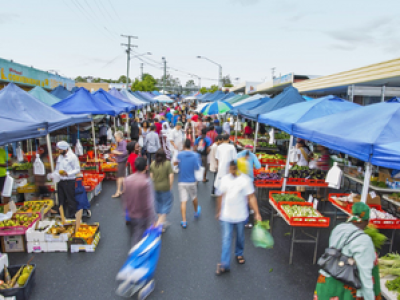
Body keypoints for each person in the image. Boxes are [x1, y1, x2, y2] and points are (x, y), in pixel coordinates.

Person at [314, 202, 377, 300]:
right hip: (345, 289)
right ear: (367, 221)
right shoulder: (364, 241)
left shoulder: (339, 228)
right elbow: (365, 275)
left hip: (326, 281)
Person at [215, 160, 262, 275]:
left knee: (240, 236)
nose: (232, 171)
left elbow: (251, 197)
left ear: (238, 169)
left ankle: (239, 252)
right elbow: (220, 195)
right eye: (230, 169)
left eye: (234, 169)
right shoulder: (225, 179)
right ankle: (224, 264)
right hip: (226, 215)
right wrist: (219, 210)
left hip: (241, 215)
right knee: (227, 239)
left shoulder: (245, 180)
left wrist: (257, 213)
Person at [123, 157, 155, 246]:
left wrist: (126, 212)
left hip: (132, 212)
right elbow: (149, 202)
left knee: (135, 233)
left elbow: (125, 197)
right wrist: (153, 218)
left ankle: (135, 250)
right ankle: (137, 254)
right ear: (146, 167)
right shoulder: (146, 182)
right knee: (141, 234)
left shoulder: (128, 179)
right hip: (142, 214)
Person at [174, 139, 201, 228]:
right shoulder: (195, 155)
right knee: (194, 197)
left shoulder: (180, 155)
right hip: (192, 181)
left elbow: (176, 165)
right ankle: (196, 211)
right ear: (191, 146)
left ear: (184, 145)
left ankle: (184, 221)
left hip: (182, 181)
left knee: (183, 201)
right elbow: (197, 167)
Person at [150, 149, 174, 232]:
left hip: (156, 187)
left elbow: (151, 176)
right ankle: (158, 224)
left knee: (158, 204)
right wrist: (170, 186)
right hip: (165, 187)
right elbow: (171, 176)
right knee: (166, 205)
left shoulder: (153, 164)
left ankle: (161, 225)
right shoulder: (167, 164)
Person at [55, 141, 80, 219]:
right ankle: (62, 216)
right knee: (61, 200)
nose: (58, 151)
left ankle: (73, 217)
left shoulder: (72, 157)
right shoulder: (60, 156)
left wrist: (68, 173)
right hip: (61, 181)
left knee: (70, 200)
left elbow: (77, 169)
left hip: (69, 181)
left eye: (60, 149)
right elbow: (57, 168)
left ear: (65, 149)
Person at [111, 131, 128, 198]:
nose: (115, 138)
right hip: (121, 161)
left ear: (118, 137)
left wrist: (116, 152)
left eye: (115, 137)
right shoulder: (120, 143)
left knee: (119, 177)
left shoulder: (122, 143)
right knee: (122, 176)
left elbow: (124, 152)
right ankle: (124, 190)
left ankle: (118, 192)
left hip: (122, 161)